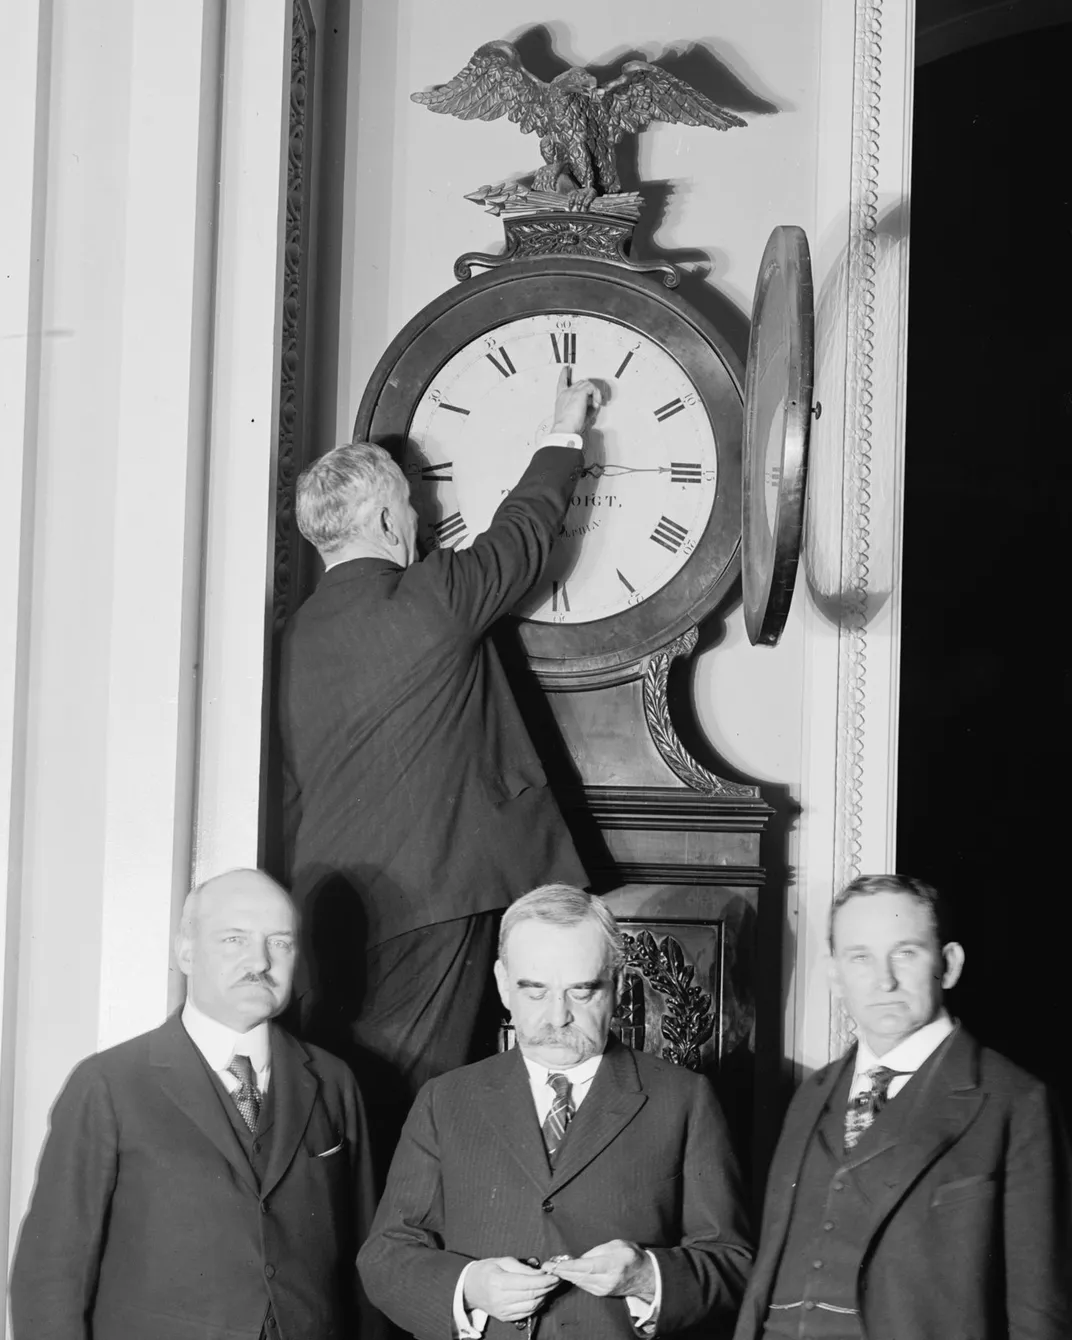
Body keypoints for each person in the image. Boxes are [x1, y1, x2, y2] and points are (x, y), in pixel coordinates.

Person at [279, 370, 601, 1161]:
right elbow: (522, 536)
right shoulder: (428, 598)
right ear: (391, 516)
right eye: (414, 513)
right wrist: (564, 429)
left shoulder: (295, 637)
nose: (420, 526)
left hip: (330, 915)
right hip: (433, 900)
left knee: (348, 1113)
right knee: (407, 1123)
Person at [358, 884, 753, 1339]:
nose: (557, 1016)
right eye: (535, 991)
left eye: (581, 992)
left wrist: (647, 1275)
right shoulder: (444, 1100)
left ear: (619, 986)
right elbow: (386, 1256)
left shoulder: (685, 1099)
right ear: (504, 984)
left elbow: (732, 1262)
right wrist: (470, 1288)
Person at [9, 868, 381, 1340]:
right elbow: (51, 1275)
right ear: (186, 952)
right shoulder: (107, 1084)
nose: (260, 961)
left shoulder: (334, 1081)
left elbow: (370, 1263)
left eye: (280, 943)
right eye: (233, 940)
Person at [735, 873, 1072, 1340]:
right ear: (835, 974)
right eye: (860, 958)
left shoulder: (1015, 1101)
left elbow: (1040, 1315)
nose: (884, 980)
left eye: (905, 953)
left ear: (948, 965)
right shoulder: (809, 1095)